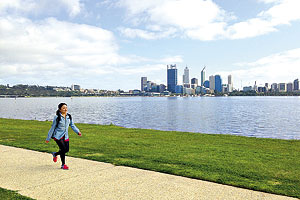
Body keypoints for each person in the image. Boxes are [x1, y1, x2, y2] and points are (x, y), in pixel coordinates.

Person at [45, 103, 82, 170]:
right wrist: (48, 138)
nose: (65, 109)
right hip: (58, 136)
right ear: (60, 109)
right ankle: (63, 164)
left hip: (65, 136)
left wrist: (77, 131)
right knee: (63, 149)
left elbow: (72, 125)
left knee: (66, 150)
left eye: (66, 108)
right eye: (63, 108)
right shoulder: (57, 117)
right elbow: (52, 127)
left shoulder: (69, 116)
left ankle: (55, 154)